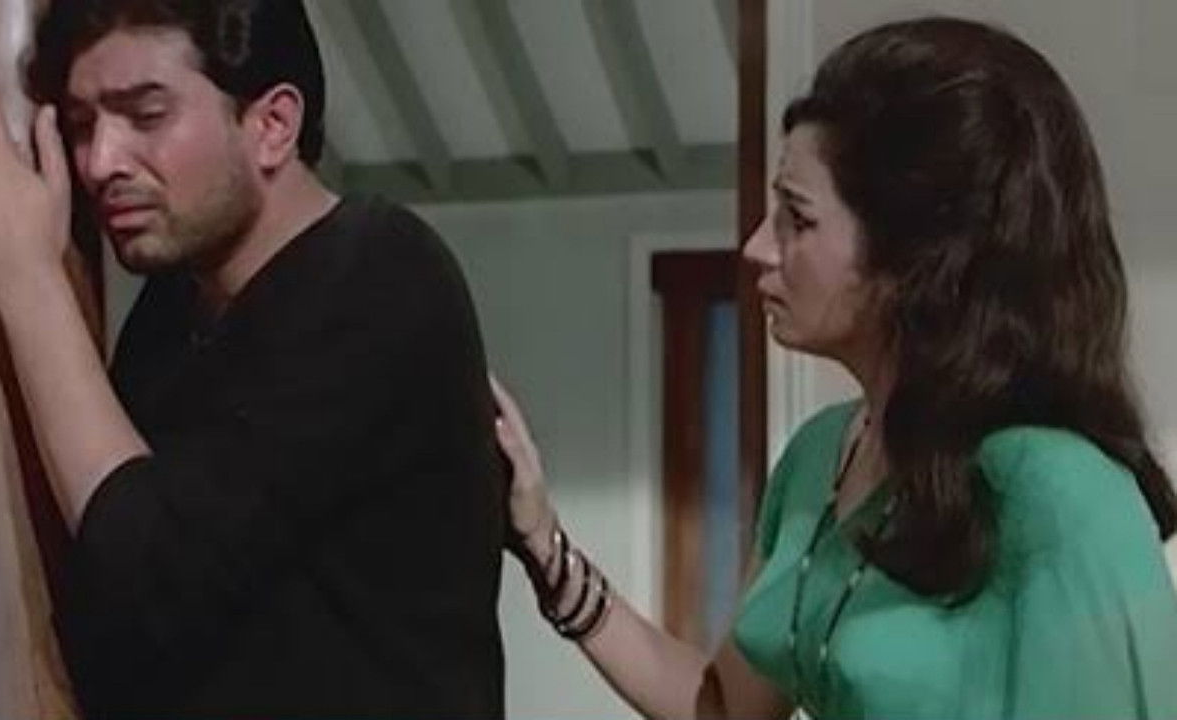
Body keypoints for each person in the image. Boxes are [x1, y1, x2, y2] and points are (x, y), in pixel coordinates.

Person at [492, 16, 1177, 719]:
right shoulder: (820, 457)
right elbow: (723, 707)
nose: (757, 247)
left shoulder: (1059, 493)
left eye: (797, 218)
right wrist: (545, 545)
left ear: (916, 258)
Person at [0, 0, 505, 717]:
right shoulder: (168, 319)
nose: (100, 162)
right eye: (84, 125)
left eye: (146, 115)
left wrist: (29, 281)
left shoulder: (380, 275)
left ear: (272, 125)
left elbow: (150, 570)